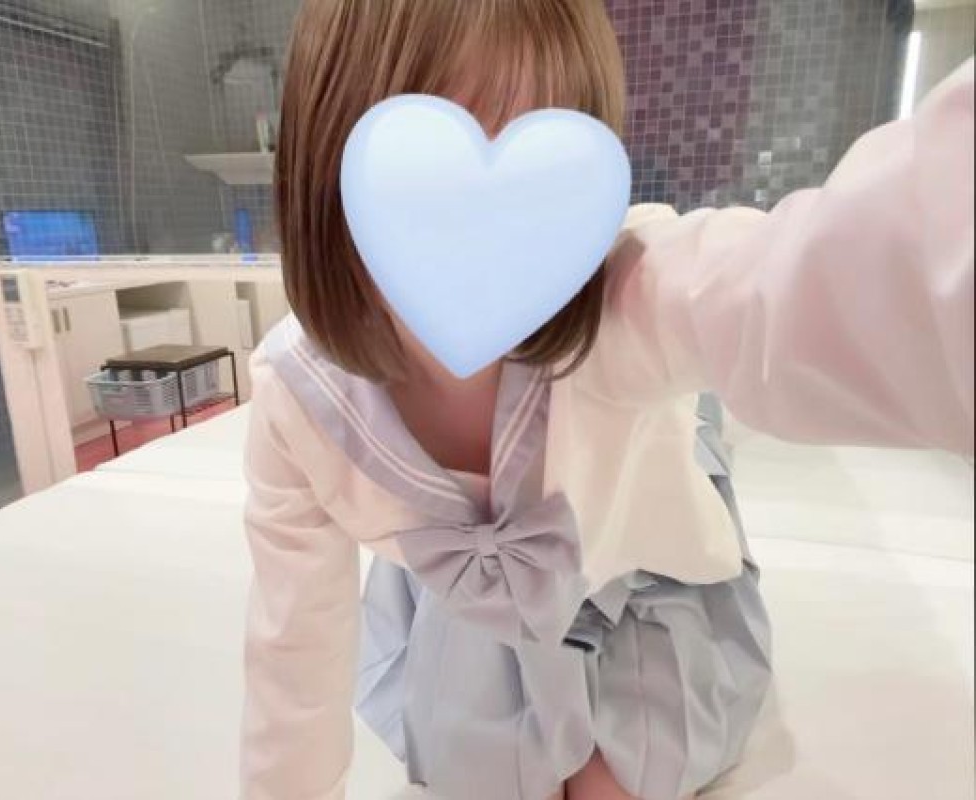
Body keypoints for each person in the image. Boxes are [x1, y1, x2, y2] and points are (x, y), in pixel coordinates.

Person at [240, 1, 974, 798]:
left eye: (543, 185)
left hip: (647, 559)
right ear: (325, 169)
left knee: (631, 749)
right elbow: (293, 661)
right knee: (475, 763)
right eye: (424, 181)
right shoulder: (297, 402)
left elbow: (793, 287)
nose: (486, 238)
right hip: (474, 595)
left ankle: (694, 427)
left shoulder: (625, 300)